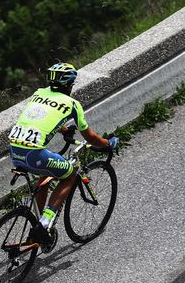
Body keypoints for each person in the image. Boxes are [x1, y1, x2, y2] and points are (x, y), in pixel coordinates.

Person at [8, 62, 119, 245]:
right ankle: (44, 222)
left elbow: (41, 116)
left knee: (43, 178)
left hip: (14, 149)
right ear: (69, 85)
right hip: (34, 154)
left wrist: (63, 128)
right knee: (70, 174)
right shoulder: (72, 104)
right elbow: (90, 137)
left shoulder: (39, 93)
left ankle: (34, 229)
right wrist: (108, 143)